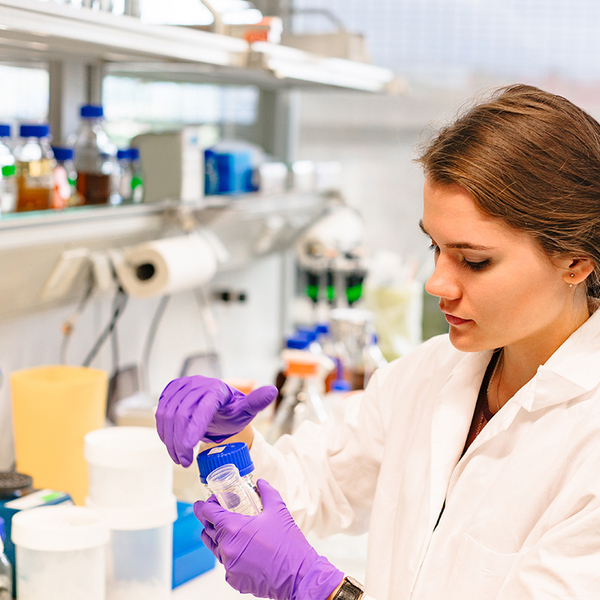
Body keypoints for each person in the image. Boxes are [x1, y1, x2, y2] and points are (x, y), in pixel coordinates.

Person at [156, 84, 600, 600]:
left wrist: (320, 591)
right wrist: (234, 448)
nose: (436, 283)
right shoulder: (429, 374)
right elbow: (319, 484)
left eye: (474, 260)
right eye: (435, 247)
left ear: (575, 261)